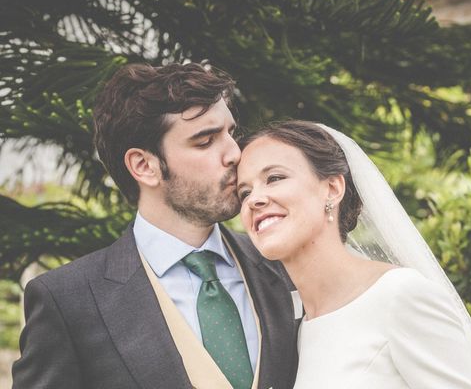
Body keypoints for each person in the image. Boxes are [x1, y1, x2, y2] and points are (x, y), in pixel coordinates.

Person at [12, 62, 298, 389]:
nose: (234, 153)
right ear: (144, 166)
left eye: (231, 134)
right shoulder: (67, 300)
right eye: (205, 141)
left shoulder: (282, 262)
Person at [237, 120, 471, 388]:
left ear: (332, 188)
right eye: (244, 192)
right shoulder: (297, 328)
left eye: (274, 178)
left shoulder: (400, 296)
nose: (254, 200)